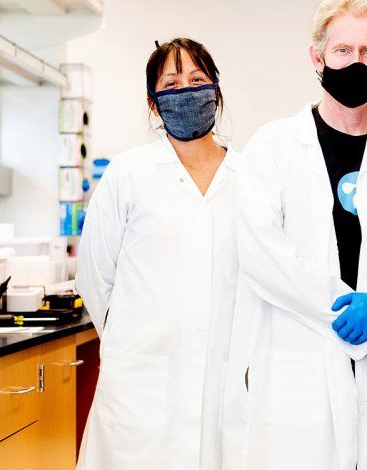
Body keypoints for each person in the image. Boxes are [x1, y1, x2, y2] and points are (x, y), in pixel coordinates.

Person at [221, 1, 367, 469]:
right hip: (301, 366)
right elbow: (264, 256)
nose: (355, 62)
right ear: (317, 57)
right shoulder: (272, 147)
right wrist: (354, 328)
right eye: (342, 49)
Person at [75, 38, 239, 469]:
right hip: (140, 384)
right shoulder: (127, 175)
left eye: (197, 80)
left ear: (217, 93)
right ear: (153, 105)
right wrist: (134, 342)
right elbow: (94, 278)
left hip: (226, 380)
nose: (185, 91)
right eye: (171, 83)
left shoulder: (251, 176)